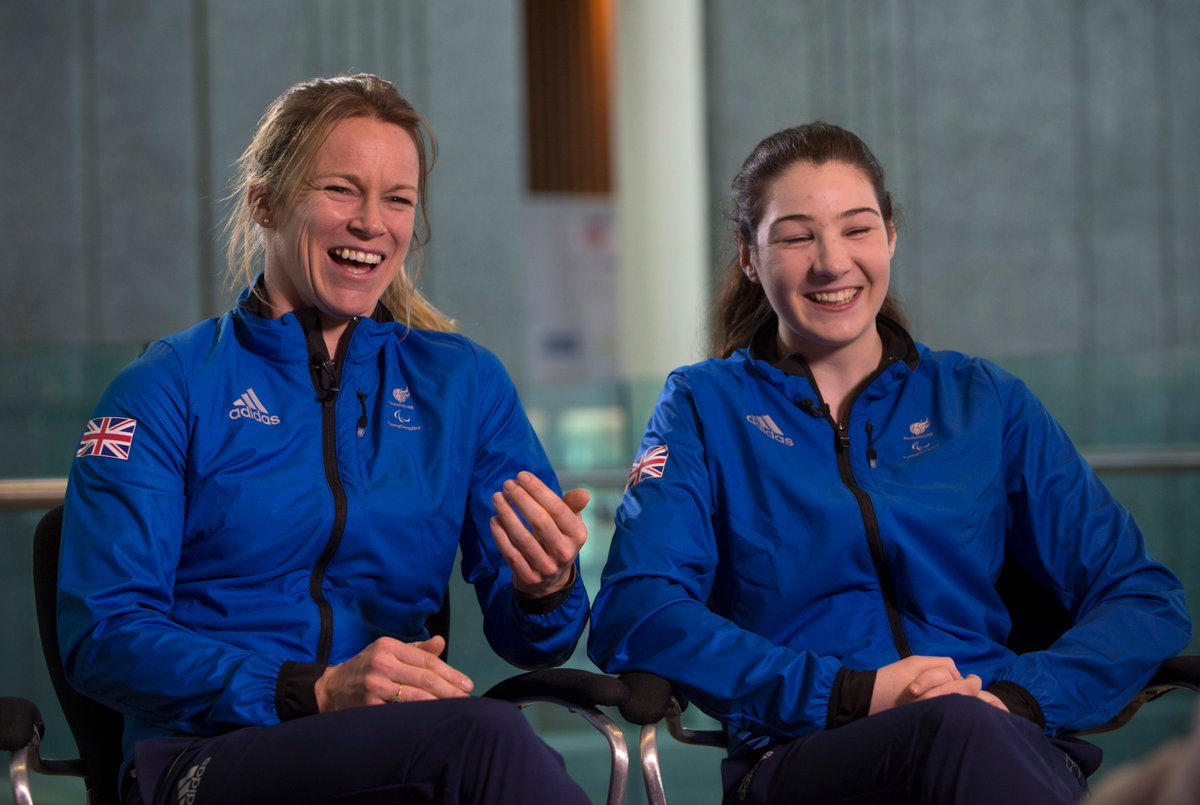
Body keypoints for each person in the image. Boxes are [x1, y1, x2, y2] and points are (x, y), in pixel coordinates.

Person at [587, 121, 1191, 804]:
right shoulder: (703, 406)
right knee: (958, 734)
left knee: (967, 732)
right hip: (805, 757)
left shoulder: (982, 401)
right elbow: (636, 609)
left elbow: (1143, 597)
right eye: (795, 235)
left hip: (998, 738)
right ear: (750, 256)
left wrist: (1019, 697)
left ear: (891, 236)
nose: (831, 262)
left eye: (857, 228)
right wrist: (852, 692)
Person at [59, 73, 593, 805]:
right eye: (341, 189)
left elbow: (532, 639)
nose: (372, 223)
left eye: (397, 199)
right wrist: (308, 689)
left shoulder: (461, 385)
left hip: (393, 748)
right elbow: (103, 634)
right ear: (266, 202)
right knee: (482, 740)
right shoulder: (167, 385)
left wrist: (546, 588)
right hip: (206, 757)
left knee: (472, 744)